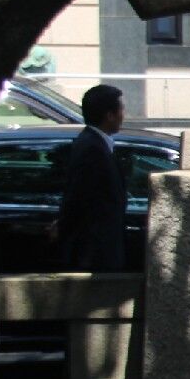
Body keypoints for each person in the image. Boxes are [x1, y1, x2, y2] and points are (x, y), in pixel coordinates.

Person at [58, 83, 129, 271]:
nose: (124, 115)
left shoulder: (97, 145)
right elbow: (78, 198)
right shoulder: (92, 149)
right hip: (94, 251)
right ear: (109, 115)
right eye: (121, 109)